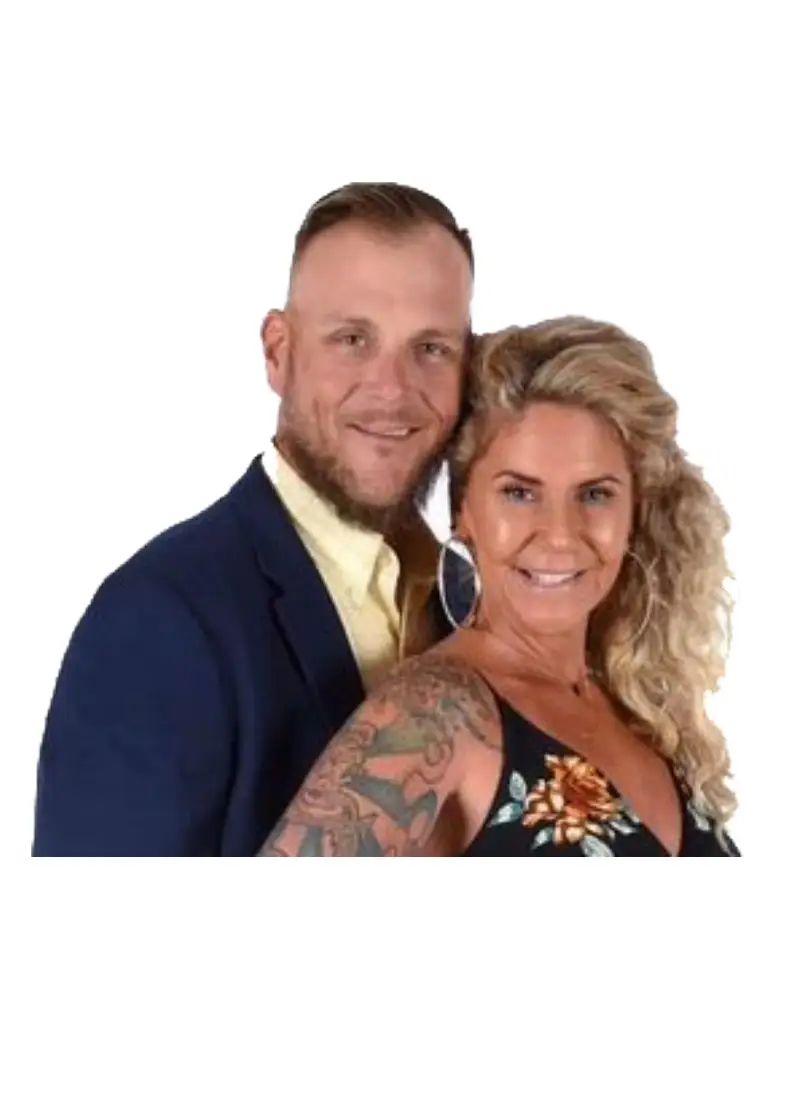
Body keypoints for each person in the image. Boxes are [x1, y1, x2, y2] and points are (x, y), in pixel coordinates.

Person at [32, 182, 474, 856]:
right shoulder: (158, 620)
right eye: (352, 339)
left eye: (431, 348)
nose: (392, 389)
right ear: (277, 351)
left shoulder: (476, 598)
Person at [260, 317, 740, 857]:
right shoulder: (434, 712)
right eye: (518, 492)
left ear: (634, 510)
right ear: (463, 511)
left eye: (595, 494)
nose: (560, 535)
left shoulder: (641, 711)